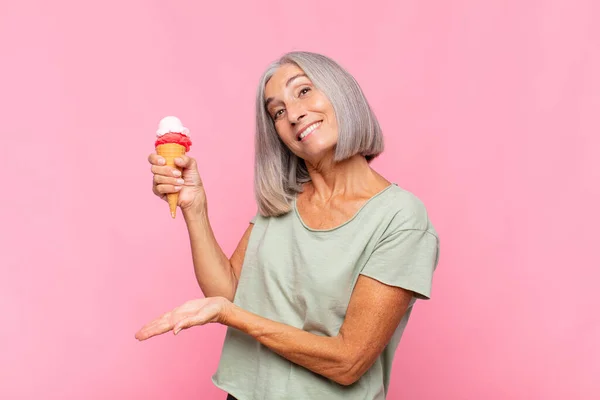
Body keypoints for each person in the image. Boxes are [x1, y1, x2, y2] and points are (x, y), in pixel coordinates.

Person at [136, 51, 440, 400]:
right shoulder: (281, 203)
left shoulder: (400, 218)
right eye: (277, 111)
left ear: (342, 94)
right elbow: (230, 293)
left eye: (304, 91)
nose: (293, 114)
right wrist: (195, 207)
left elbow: (349, 361)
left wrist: (231, 316)